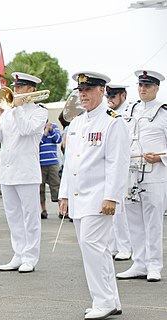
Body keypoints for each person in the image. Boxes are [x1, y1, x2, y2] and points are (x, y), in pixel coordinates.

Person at [58, 71, 130, 319]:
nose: (83, 95)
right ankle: (111, 300)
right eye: (80, 91)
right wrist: (64, 194)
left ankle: (104, 301)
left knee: (93, 246)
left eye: (88, 90)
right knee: (93, 248)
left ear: (102, 91)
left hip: (99, 197)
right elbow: (70, 163)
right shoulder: (77, 123)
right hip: (78, 197)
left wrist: (112, 196)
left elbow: (117, 163)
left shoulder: (113, 122)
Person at [0, 72, 48, 273]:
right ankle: (18, 253)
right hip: (7, 171)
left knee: (30, 216)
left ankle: (30, 257)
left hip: (26, 171)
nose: (16, 91)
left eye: (20, 88)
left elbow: (26, 130)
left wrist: (18, 107)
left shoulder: (39, 112)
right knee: (13, 216)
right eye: (16, 87)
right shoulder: (7, 112)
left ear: (31, 90)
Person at [116, 70, 167, 282]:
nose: (143, 89)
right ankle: (139, 262)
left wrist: (161, 158)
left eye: (147, 85)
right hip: (132, 172)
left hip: (155, 173)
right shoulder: (131, 109)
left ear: (156, 87)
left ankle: (154, 265)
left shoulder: (164, 112)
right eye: (140, 85)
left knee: (153, 221)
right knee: (133, 220)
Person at [105, 85, 132, 261]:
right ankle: (114, 244)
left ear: (123, 95)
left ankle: (125, 246)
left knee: (122, 209)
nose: (110, 99)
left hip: (128, 164)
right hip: (110, 164)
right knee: (113, 210)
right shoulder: (108, 114)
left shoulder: (131, 112)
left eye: (114, 96)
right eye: (108, 95)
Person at [39, 121, 62, 219]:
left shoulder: (54, 126)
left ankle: (62, 210)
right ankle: (43, 210)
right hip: (40, 162)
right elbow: (37, 142)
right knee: (40, 188)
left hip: (53, 161)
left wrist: (51, 130)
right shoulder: (36, 127)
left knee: (57, 186)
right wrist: (44, 132)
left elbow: (58, 140)